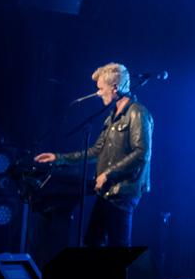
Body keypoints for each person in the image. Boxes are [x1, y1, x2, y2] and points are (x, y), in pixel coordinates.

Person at [34, 63, 154, 246]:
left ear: (115, 88)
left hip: (122, 192)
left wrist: (108, 174)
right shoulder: (112, 117)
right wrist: (58, 158)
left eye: (101, 89)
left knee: (118, 248)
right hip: (106, 192)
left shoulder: (137, 113)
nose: (98, 93)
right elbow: (95, 151)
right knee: (92, 243)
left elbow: (141, 153)